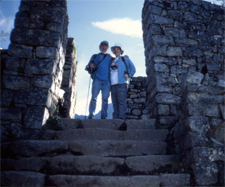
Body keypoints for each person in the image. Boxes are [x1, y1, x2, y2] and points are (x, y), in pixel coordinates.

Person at [85, 41, 112, 119]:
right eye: (102, 46)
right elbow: (88, 67)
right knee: (93, 98)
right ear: (100, 47)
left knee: (105, 99)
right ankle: (91, 115)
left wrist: (124, 57)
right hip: (97, 80)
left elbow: (117, 61)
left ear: (107, 48)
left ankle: (103, 116)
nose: (104, 47)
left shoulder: (110, 57)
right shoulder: (94, 56)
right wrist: (90, 65)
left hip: (107, 81)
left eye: (105, 46)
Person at [110, 43, 136, 119]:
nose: (116, 50)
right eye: (115, 49)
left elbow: (133, 68)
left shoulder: (124, 59)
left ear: (121, 51)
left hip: (121, 83)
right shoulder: (111, 60)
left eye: (118, 49)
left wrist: (129, 75)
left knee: (121, 102)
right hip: (112, 85)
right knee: (115, 103)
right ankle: (115, 119)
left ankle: (121, 119)